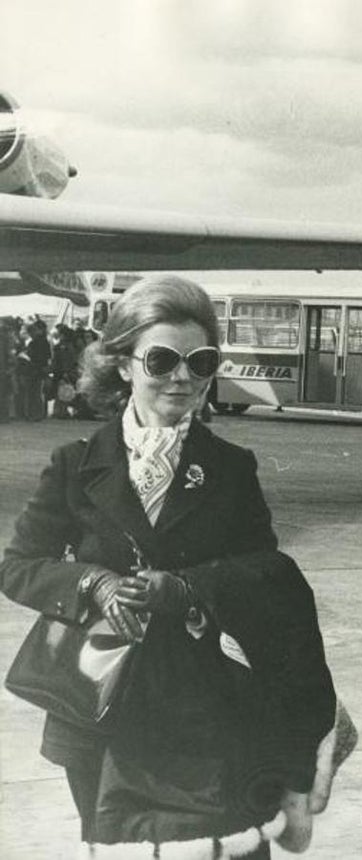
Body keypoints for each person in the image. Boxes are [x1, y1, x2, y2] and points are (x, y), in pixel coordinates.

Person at [0, 275, 338, 857]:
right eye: (161, 359)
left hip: (204, 706)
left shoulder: (231, 467)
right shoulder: (75, 463)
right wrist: (93, 583)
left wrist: (187, 589)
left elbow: (265, 575)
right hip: (100, 708)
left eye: (200, 361)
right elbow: (18, 566)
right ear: (123, 364)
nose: (182, 377)